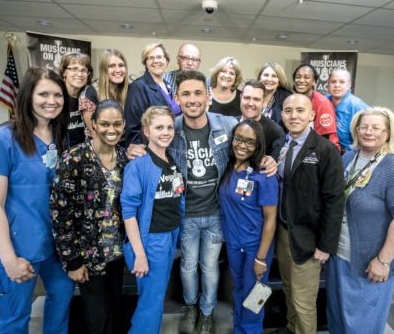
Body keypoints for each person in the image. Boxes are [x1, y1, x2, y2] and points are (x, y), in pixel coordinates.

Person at [126, 70, 277, 334]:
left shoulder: (227, 125)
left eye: (198, 93)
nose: (192, 99)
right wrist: (133, 149)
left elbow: (252, 137)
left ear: (208, 97)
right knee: (190, 268)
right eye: (185, 94)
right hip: (187, 217)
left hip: (220, 219)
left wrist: (268, 157)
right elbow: (151, 146)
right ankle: (192, 308)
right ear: (177, 98)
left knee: (218, 273)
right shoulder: (170, 127)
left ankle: (209, 313)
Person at [0, 66, 74, 333]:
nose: (52, 101)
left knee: (61, 308)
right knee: (14, 320)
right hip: (16, 245)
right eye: (43, 94)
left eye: (58, 95)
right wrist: (8, 260)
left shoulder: (60, 138)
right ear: (27, 95)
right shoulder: (0, 140)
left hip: (55, 246)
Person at [326, 107, 394, 334]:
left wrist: (383, 261)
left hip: (370, 262)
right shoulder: (348, 157)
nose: (368, 132)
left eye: (376, 128)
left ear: (388, 134)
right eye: (364, 127)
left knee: (361, 325)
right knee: (337, 318)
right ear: (356, 130)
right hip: (339, 255)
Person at [50, 100, 128, 334]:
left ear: (124, 125)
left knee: (115, 308)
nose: (111, 130)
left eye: (117, 124)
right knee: (98, 314)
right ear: (93, 124)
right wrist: (72, 260)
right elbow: (59, 214)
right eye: (104, 124)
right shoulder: (74, 158)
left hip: (117, 252)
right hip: (88, 253)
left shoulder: (125, 158)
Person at [271, 94, 344, 334]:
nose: (294, 116)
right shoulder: (279, 145)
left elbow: (334, 200)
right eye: (289, 111)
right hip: (283, 233)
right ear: (281, 116)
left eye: (300, 111)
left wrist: (325, 245)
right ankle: (292, 329)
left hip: (309, 238)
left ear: (311, 115)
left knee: (304, 302)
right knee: (289, 291)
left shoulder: (325, 150)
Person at [121, 106, 185, 334]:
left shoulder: (171, 160)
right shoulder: (137, 165)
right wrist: (139, 254)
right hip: (151, 242)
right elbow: (128, 212)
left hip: (169, 237)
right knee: (151, 302)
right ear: (146, 132)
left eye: (169, 127)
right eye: (159, 127)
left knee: (155, 299)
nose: (166, 132)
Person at [219, 119, 278, 334]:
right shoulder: (228, 166)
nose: (242, 145)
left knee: (254, 297)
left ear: (259, 145)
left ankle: (250, 331)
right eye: (238, 139)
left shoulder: (263, 174)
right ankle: (239, 330)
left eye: (250, 142)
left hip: (256, 247)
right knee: (238, 290)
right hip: (234, 244)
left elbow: (270, 219)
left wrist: (261, 258)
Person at [124, 42, 181, 147]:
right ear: (145, 62)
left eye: (160, 57)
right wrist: (139, 151)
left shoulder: (167, 85)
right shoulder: (138, 86)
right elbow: (133, 127)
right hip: (151, 149)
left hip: (171, 146)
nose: (156, 61)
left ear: (166, 60)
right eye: (151, 58)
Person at [79, 49, 129, 139]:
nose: (118, 70)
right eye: (112, 66)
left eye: (121, 65)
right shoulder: (90, 92)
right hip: (99, 145)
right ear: (103, 69)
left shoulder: (131, 89)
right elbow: (93, 131)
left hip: (126, 146)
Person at [292, 64, 340, 151]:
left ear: (314, 81)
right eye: (298, 77)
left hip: (324, 151)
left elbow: (325, 137)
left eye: (306, 77)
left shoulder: (322, 103)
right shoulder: (293, 100)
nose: (301, 80)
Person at [326, 68, 369, 153]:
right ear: (328, 84)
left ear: (349, 85)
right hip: (327, 153)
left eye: (342, 82)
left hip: (348, 156)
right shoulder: (323, 101)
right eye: (333, 81)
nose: (337, 85)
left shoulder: (357, 106)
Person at [238, 80, 285, 154]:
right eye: (247, 98)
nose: (250, 103)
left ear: (264, 102)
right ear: (241, 98)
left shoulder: (275, 132)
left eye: (256, 99)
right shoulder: (230, 124)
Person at [59, 52, 93, 146]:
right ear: (64, 72)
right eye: (74, 69)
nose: (80, 74)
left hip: (85, 150)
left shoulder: (91, 95)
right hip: (60, 150)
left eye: (84, 70)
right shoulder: (56, 95)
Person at [257, 62, 292, 127]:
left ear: (279, 81)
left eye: (274, 76)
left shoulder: (287, 99)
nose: (269, 79)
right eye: (266, 75)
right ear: (260, 78)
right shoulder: (253, 94)